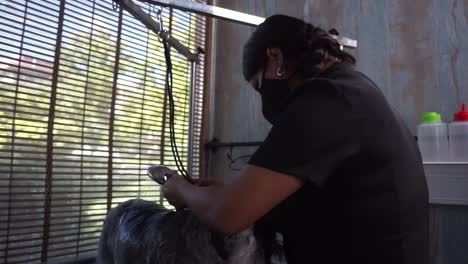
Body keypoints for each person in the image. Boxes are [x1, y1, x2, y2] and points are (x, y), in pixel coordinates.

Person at [162, 14, 429, 264]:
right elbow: (324, 204)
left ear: (275, 58)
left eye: (258, 85)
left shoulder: (326, 100)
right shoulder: (353, 90)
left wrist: (182, 191)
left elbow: (229, 214)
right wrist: (230, 191)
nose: (263, 97)